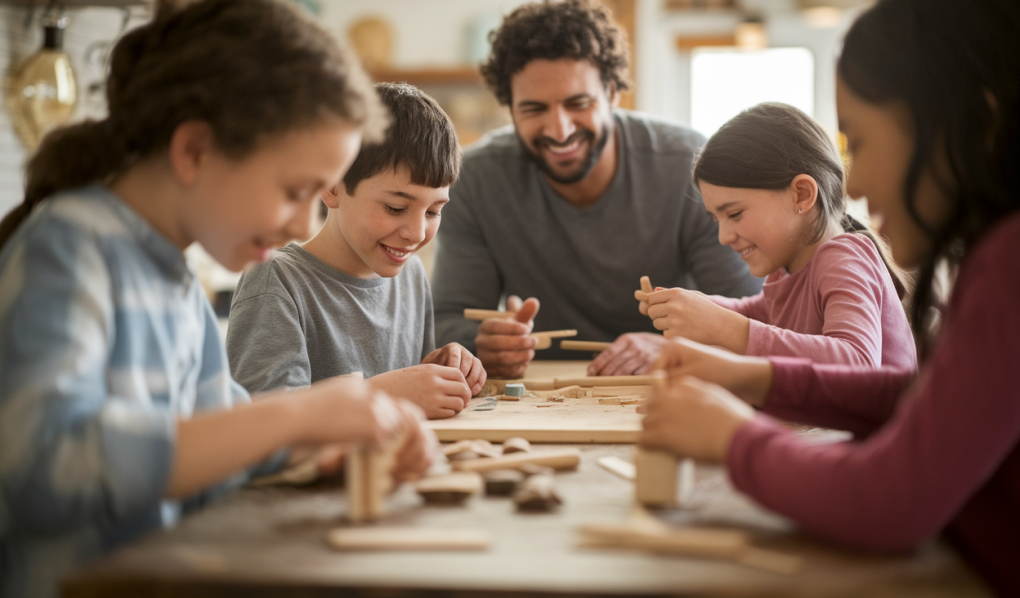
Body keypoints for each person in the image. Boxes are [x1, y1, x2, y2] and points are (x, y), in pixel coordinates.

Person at [0, 2, 434, 598]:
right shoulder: (69, 247)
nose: (303, 223)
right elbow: (41, 470)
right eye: (294, 191)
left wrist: (327, 445)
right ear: (195, 151)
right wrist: (298, 414)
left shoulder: (174, 275)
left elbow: (221, 448)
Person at [639, 0, 1020, 595]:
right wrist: (750, 376)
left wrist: (733, 438)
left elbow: (890, 499)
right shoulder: (993, 260)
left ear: (970, 119)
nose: (857, 185)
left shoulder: (1006, 263)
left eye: (861, 142)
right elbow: (918, 397)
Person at [430, 0, 761, 379]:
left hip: (668, 380)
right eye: (534, 109)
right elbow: (446, 321)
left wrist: (672, 346)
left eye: (578, 103)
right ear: (510, 106)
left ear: (612, 93)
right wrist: (483, 342)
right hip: (544, 393)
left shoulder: (686, 165)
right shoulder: (475, 180)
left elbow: (750, 316)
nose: (560, 130)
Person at [227, 83, 485, 420]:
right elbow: (259, 426)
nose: (417, 233)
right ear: (333, 186)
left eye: (434, 211)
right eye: (395, 208)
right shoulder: (276, 280)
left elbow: (408, 406)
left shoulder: (411, 274)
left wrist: (435, 370)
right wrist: (380, 394)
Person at [636, 103, 916, 369]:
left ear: (802, 194)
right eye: (715, 219)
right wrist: (688, 305)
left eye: (734, 214)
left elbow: (857, 362)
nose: (723, 237)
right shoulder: (785, 271)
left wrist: (723, 326)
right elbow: (754, 312)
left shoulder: (843, 257)